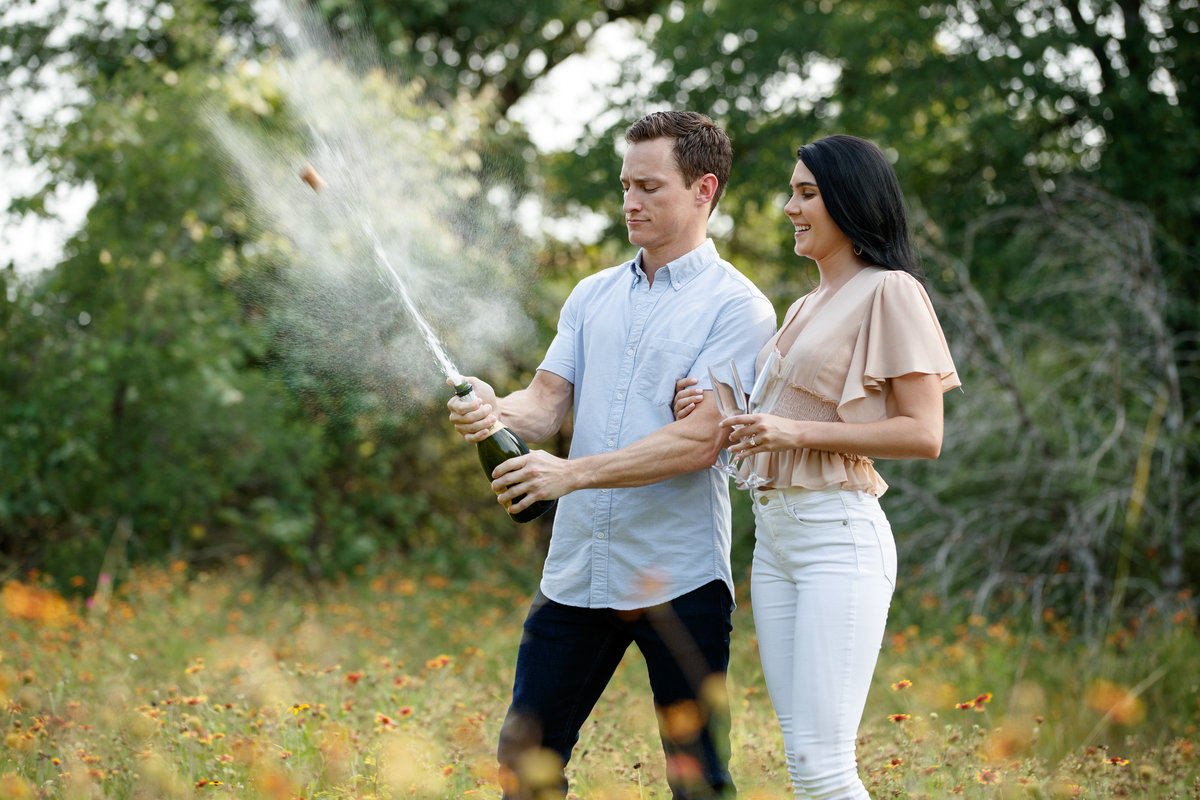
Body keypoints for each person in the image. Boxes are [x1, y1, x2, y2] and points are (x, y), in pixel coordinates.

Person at [447, 111, 776, 799]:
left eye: (650, 187)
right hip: (577, 574)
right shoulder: (591, 294)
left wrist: (570, 474)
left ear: (703, 190)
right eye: (626, 185)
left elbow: (699, 441)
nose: (630, 201)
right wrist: (489, 407)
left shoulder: (739, 309)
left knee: (699, 782)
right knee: (524, 761)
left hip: (678, 578)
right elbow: (542, 404)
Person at [674, 134, 961, 799]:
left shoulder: (891, 292)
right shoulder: (805, 305)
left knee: (823, 765)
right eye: (791, 192)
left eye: (807, 194)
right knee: (802, 760)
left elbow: (924, 432)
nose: (788, 207)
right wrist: (719, 406)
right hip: (776, 543)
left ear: (849, 201)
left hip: (838, 536)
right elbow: (773, 420)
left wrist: (788, 429)